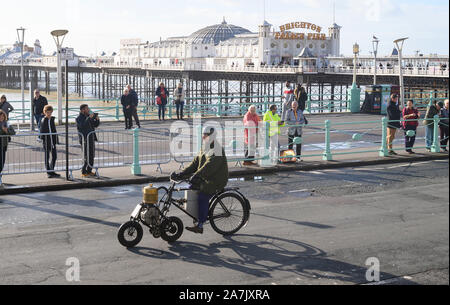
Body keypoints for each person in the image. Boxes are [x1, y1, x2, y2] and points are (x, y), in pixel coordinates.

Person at [172, 127, 229, 234]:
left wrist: (197, 175)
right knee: (191, 189)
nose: (203, 137)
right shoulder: (205, 147)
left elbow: (210, 166)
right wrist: (182, 173)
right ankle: (197, 214)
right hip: (206, 176)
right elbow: (195, 163)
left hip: (216, 180)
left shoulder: (217, 149)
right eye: (203, 135)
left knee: (202, 195)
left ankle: (200, 224)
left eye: (206, 135)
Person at [76, 104, 100, 178]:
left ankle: (89, 170)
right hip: (84, 139)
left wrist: (97, 119)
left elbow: (95, 125)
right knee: (86, 155)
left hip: (91, 137)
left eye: (88, 108)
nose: (88, 110)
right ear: (82, 110)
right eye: (87, 109)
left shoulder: (88, 116)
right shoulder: (79, 118)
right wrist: (89, 118)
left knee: (92, 155)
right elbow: (82, 126)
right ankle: (83, 171)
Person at [40, 105, 60, 178]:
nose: (49, 114)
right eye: (47, 112)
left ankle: (52, 170)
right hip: (46, 141)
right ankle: (48, 172)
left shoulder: (52, 119)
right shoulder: (43, 120)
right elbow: (42, 131)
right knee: (47, 157)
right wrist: (43, 139)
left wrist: (56, 139)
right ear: (45, 112)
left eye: (50, 112)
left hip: (53, 141)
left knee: (54, 156)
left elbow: (54, 129)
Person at [0, 110, 15, 185]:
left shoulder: (7, 123)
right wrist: (2, 130)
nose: (1, 118)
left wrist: (6, 131)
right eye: (0, 116)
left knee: (2, 163)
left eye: (2, 116)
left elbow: (13, 132)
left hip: (3, 145)